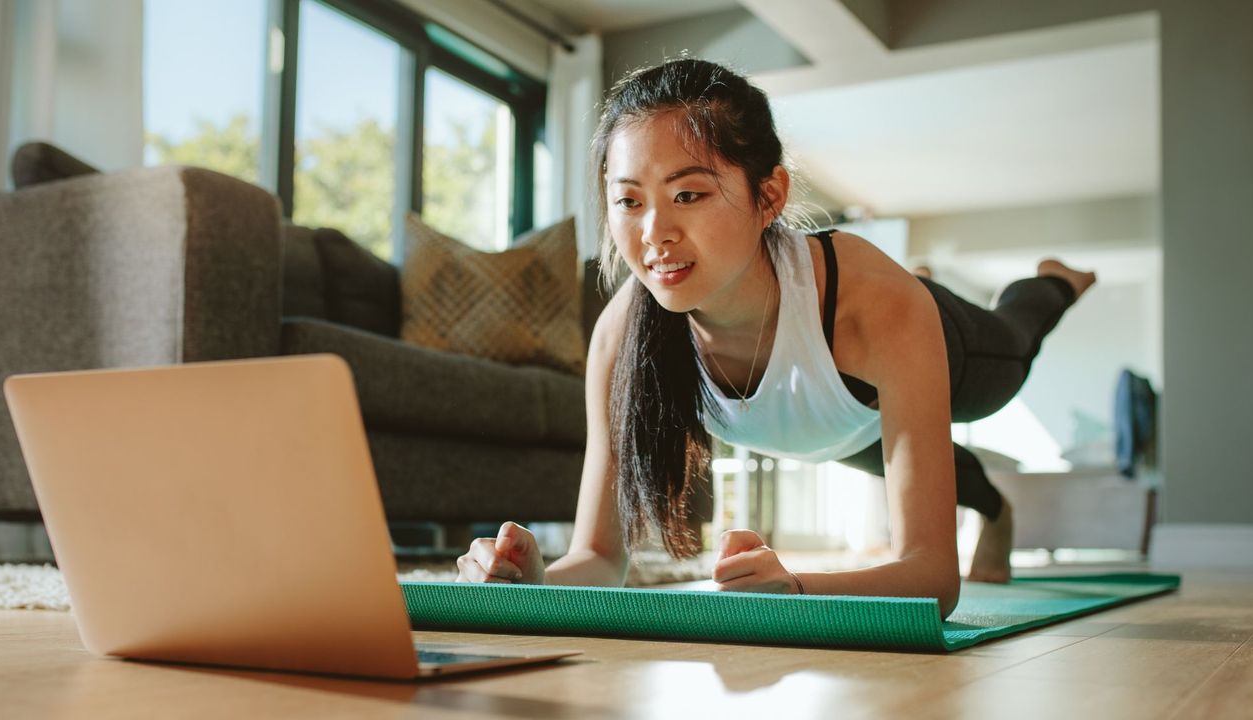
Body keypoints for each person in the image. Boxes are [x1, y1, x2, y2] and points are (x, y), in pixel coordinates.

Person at [454, 58, 1095, 618]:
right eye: (629, 201)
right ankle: (996, 508)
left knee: (1015, 341)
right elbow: (597, 559)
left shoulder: (875, 307)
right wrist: (531, 580)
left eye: (689, 193)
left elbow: (932, 577)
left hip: (948, 350)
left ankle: (1052, 282)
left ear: (769, 195)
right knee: (931, 468)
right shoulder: (622, 335)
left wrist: (795, 587)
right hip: (832, 424)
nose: (655, 233)